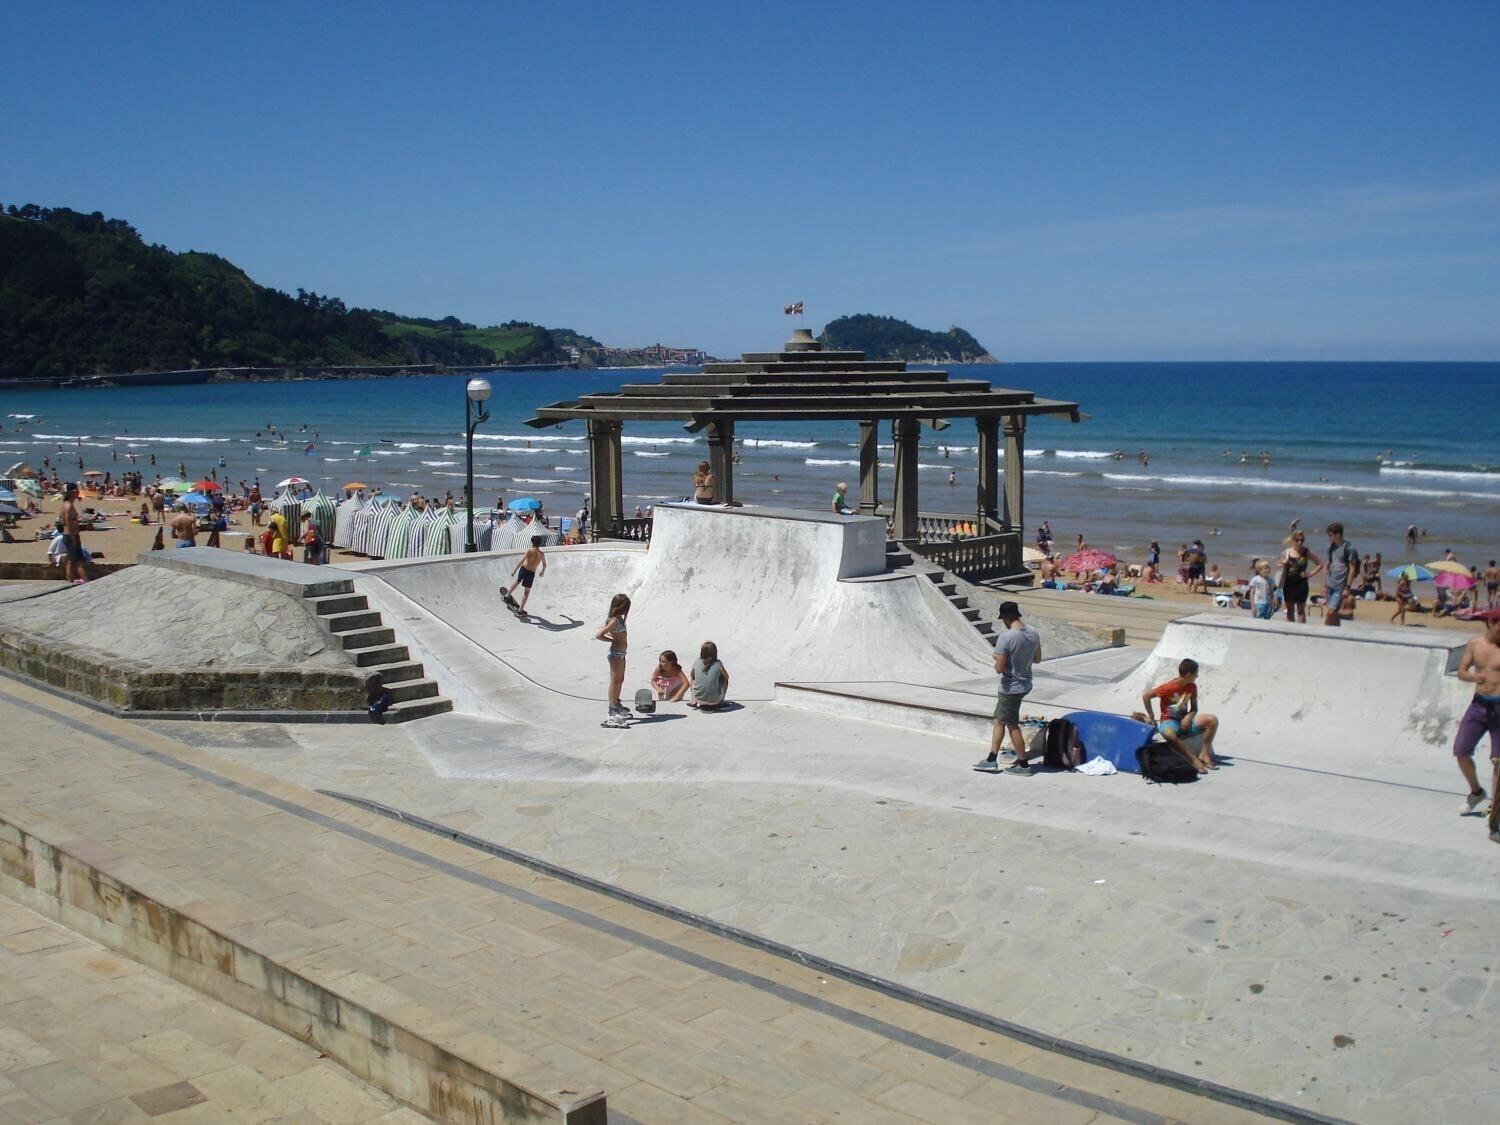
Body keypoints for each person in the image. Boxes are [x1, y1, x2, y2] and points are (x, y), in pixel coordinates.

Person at [973, 601, 1041, 775]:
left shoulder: (1006, 637)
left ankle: (1024, 765)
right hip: (1025, 683)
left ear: (1006, 618)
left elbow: (999, 669)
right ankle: (991, 758)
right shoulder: (1033, 633)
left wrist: (996, 656)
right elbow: (1037, 659)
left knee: (1011, 725)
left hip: (1011, 687)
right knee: (999, 719)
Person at [1452, 619, 1500, 820]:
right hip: (1478, 706)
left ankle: (1496, 808)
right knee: (1461, 751)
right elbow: (1461, 672)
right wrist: (1474, 677)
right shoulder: (1475, 644)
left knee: (1498, 760)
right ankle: (1476, 792)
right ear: (1491, 623)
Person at [1143, 657, 1219, 773]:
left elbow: (1194, 708)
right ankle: (1192, 759)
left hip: (1185, 720)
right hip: (1169, 721)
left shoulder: (1192, 687)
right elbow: (1146, 696)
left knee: (1212, 720)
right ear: (1188, 674)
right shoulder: (1168, 687)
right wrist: (1151, 716)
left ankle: (1204, 753)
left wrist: (1188, 717)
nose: (1197, 676)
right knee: (1169, 734)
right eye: (1196, 674)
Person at [596, 593, 631, 725]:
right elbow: (599, 635)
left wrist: (615, 638)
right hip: (615, 654)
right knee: (614, 681)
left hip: (621, 654)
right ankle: (611, 711)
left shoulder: (619, 619)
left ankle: (616, 703)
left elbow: (616, 633)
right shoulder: (614, 620)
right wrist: (612, 640)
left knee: (620, 680)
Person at [1278, 530, 1322, 624]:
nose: (1300, 542)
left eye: (1302, 540)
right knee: (1290, 611)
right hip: (1289, 584)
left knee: (1301, 611)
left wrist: (1310, 574)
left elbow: (1320, 564)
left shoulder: (1306, 552)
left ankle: (1302, 630)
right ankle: (1291, 630)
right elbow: (1278, 564)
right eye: (1297, 540)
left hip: (1302, 584)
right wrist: (1283, 563)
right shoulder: (1287, 552)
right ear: (1293, 540)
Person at [1323, 522, 1359, 627]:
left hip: (1340, 586)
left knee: (1330, 613)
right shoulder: (1331, 547)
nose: (1329, 538)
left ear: (1338, 534)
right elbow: (1327, 566)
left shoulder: (1349, 549)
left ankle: (1326, 631)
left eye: (1330, 535)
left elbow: (1352, 568)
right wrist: (1324, 585)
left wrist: (1348, 587)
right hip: (1330, 584)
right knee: (1334, 614)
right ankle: (1335, 633)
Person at [504, 535, 547, 613]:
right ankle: (520, 610)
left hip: (524, 569)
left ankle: (507, 595)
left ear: (532, 543)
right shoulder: (541, 554)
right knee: (526, 592)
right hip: (531, 573)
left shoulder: (529, 551)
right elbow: (544, 565)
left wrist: (514, 571)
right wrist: (542, 572)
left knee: (517, 581)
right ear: (540, 544)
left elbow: (521, 561)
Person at [687, 641, 730, 709]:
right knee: (724, 679)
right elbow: (727, 677)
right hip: (715, 700)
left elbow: (692, 675)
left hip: (699, 699)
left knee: (693, 679)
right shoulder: (718, 664)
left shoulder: (697, 662)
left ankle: (694, 701)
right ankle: (721, 702)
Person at [60, 484, 86, 584]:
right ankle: (86, 581)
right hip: (71, 536)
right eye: (76, 491)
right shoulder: (68, 506)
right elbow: (68, 522)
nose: (77, 493)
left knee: (71, 560)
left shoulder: (66, 504)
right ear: (71, 493)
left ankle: (70, 581)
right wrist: (73, 538)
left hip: (69, 535)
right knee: (78, 562)